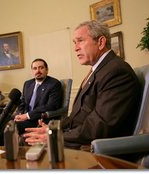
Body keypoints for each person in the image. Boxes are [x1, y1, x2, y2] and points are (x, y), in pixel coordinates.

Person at [24, 20, 141, 149]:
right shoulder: (99, 70)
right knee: (24, 141)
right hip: (80, 138)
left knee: (25, 145)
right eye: (75, 43)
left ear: (101, 42)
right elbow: (77, 116)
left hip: (95, 149)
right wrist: (53, 128)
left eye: (80, 41)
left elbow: (99, 126)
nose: (76, 48)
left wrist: (55, 136)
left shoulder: (116, 71)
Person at [14, 58, 63, 135]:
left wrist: (27, 116)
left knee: (9, 127)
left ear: (47, 70)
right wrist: (20, 114)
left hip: (39, 120)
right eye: (35, 68)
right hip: (24, 117)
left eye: (41, 68)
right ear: (32, 71)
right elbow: (22, 102)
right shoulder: (27, 84)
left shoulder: (54, 84)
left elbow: (51, 106)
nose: (38, 71)